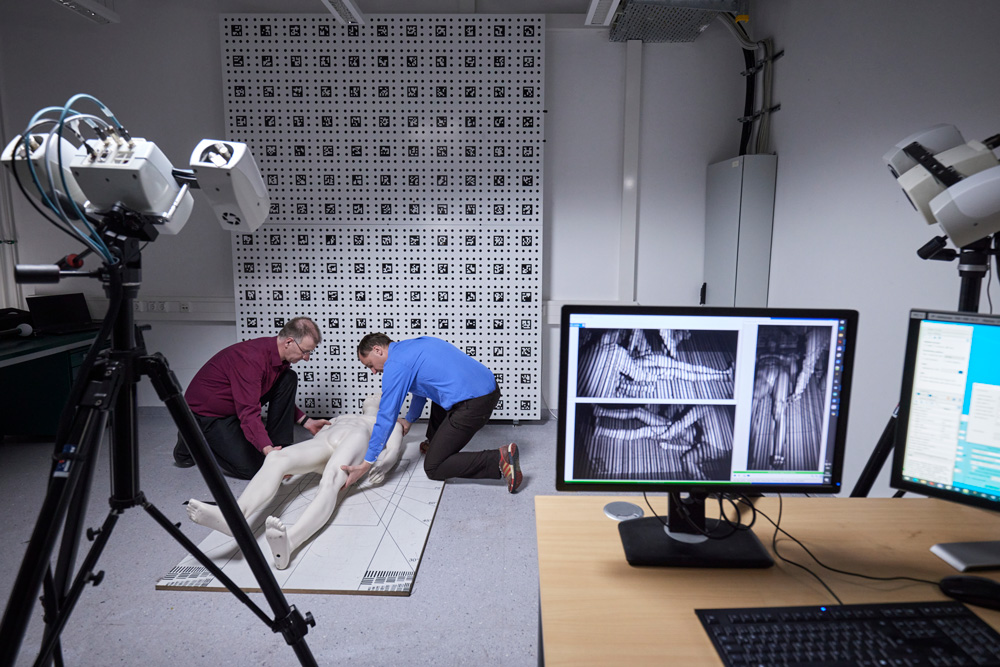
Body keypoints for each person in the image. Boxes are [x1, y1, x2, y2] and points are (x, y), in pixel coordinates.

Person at [186, 394, 403, 570]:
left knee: (330, 481)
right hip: (324, 442)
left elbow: (393, 451)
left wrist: (383, 466)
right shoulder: (340, 417)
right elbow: (316, 433)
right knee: (276, 458)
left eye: (378, 396)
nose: (373, 397)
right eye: (371, 395)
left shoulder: (388, 422)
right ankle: (233, 519)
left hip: (355, 441)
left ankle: (290, 542)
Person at [342, 333, 522, 493]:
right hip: (487, 389)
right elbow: (424, 390)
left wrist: (366, 463)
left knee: (434, 467)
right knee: (437, 393)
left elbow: (387, 415)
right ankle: (434, 442)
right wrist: (410, 420)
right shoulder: (412, 347)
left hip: (475, 404)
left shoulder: (395, 365)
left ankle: (499, 458)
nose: (373, 372)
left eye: (370, 365)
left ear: (377, 350)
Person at [175, 316, 331, 479]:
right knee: (253, 468)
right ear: (288, 342)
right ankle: (191, 436)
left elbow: (265, 397)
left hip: (235, 405)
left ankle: (279, 447)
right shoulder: (251, 360)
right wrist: (266, 450)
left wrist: (307, 421)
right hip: (209, 414)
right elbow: (248, 412)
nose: (307, 358)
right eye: (305, 351)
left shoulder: (279, 357)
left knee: (288, 378)